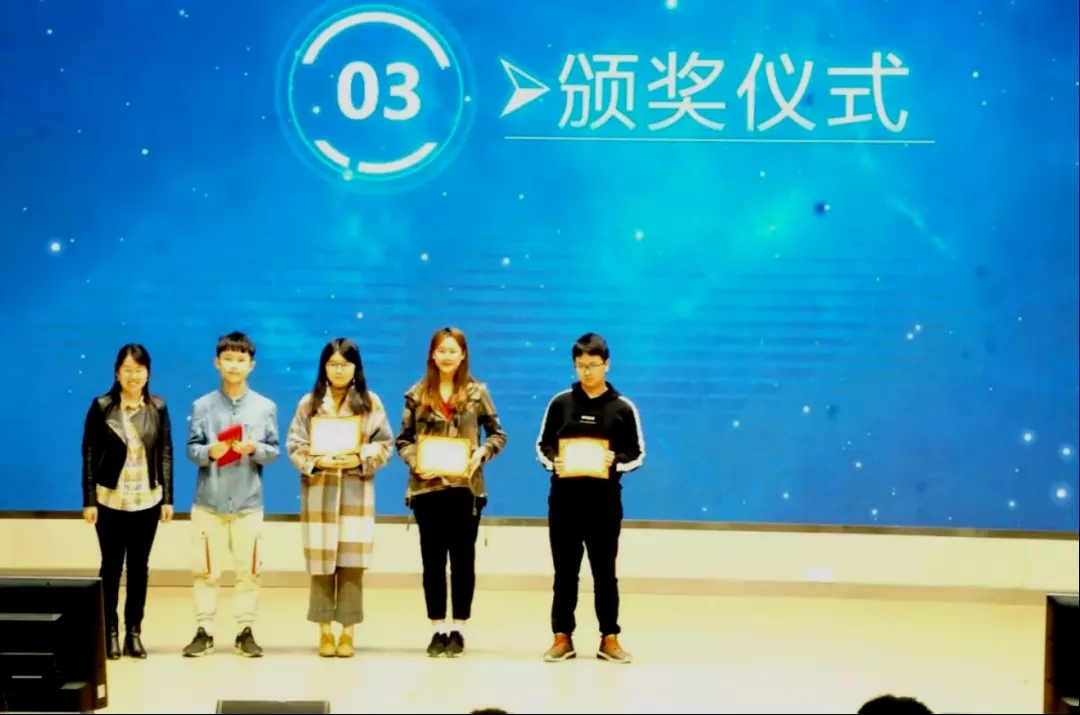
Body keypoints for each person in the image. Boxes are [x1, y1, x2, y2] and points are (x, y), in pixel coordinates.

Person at [395, 327, 507, 657]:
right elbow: (403, 439)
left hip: (465, 489)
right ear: (432, 354)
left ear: (462, 355)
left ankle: (458, 628)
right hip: (426, 488)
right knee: (432, 562)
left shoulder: (477, 392)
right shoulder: (417, 394)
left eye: (452, 351)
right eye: (441, 350)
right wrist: (416, 461)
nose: (446, 356)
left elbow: (498, 435)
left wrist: (481, 453)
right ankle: (436, 629)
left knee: (462, 561)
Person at [535, 333, 645, 664]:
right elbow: (542, 445)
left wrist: (615, 461)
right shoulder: (560, 403)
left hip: (604, 503)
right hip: (564, 501)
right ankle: (562, 636)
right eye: (581, 365)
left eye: (593, 365)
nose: (587, 372)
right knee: (564, 573)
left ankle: (609, 637)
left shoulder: (623, 407)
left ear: (606, 364)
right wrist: (553, 461)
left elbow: (637, 454)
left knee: (605, 573)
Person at [285, 338, 394, 658]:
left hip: (355, 493)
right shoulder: (309, 403)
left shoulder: (370, 402)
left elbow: (384, 443)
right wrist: (317, 461)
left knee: (351, 566)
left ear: (356, 367)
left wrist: (359, 458)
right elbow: (295, 444)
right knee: (321, 566)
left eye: (345, 364)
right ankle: (324, 631)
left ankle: (347, 632)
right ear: (324, 368)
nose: (339, 370)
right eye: (333, 364)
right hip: (320, 491)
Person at [182, 331, 280, 658]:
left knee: (249, 572)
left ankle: (245, 630)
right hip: (208, 502)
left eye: (241, 360)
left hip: (248, 503)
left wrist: (255, 449)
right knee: (205, 571)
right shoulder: (202, 406)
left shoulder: (265, 407)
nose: (234, 365)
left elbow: (274, 451)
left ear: (251, 365)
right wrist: (209, 451)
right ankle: (204, 630)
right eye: (228, 359)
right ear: (217, 363)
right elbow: (191, 449)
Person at [80, 344, 174, 660]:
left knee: (138, 569)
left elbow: (165, 453)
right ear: (117, 373)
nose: (134, 376)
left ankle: (134, 632)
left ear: (148, 373)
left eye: (139, 370)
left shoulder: (158, 407)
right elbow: (89, 454)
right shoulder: (102, 406)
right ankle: (110, 632)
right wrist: (89, 500)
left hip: (147, 500)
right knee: (110, 567)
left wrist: (167, 498)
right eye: (128, 370)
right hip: (110, 500)